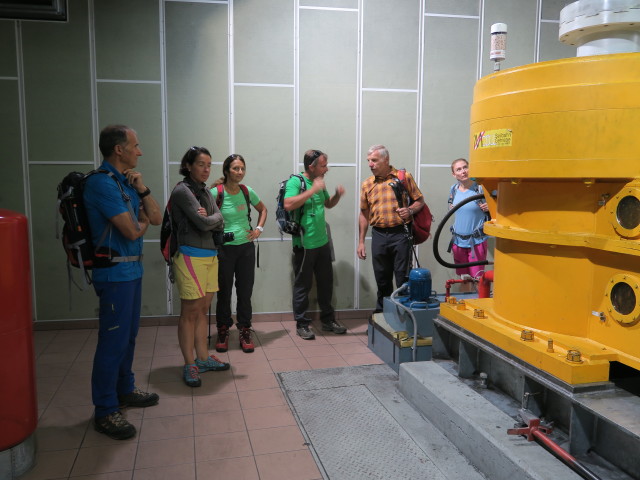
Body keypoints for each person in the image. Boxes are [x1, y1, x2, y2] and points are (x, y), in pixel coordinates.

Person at [84, 124, 162, 440]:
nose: (139, 151)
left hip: (132, 272)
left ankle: (124, 390)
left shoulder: (127, 183)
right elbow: (133, 230)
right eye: (136, 145)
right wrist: (141, 220)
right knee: (112, 341)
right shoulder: (101, 185)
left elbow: (156, 218)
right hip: (114, 274)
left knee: (128, 337)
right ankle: (104, 410)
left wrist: (142, 190)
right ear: (119, 149)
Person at [169, 146, 230, 388]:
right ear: (188, 166)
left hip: (210, 255)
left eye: (208, 165)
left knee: (204, 309)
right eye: (201, 164)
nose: (206, 169)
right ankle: (189, 363)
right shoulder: (182, 191)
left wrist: (211, 218)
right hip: (189, 256)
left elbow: (217, 218)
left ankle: (203, 359)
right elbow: (205, 223)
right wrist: (211, 219)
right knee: (190, 311)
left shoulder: (205, 191)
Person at [284, 149, 347, 340]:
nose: (326, 169)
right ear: (311, 166)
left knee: (326, 283)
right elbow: (288, 204)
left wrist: (336, 195)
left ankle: (328, 320)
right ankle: (302, 324)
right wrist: (312, 190)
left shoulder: (320, 181)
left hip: (322, 242)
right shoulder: (297, 181)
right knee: (303, 285)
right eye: (323, 165)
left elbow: (327, 204)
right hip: (304, 244)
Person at [210, 154, 267, 353]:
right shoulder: (215, 192)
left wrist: (258, 229)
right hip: (224, 249)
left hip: (245, 249)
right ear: (226, 170)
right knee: (224, 291)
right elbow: (204, 218)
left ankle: (244, 329)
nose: (240, 172)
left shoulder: (246, 191)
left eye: (242, 168)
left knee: (245, 292)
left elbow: (263, 209)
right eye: (235, 168)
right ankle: (223, 330)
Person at [357, 145, 425, 313]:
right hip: (378, 235)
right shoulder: (367, 184)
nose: (370, 164)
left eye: (374, 160)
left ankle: (404, 316)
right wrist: (361, 242)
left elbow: (419, 201)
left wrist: (409, 210)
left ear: (386, 160)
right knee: (382, 279)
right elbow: (364, 214)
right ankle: (382, 316)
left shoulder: (403, 177)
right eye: (368, 161)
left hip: (401, 234)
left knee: (403, 278)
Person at [448, 158, 489, 279]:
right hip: (458, 242)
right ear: (454, 174)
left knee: (477, 279)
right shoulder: (453, 190)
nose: (463, 171)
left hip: (476, 242)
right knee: (463, 280)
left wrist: (490, 207)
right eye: (459, 169)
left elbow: (499, 209)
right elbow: (451, 210)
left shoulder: (481, 188)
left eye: (465, 167)